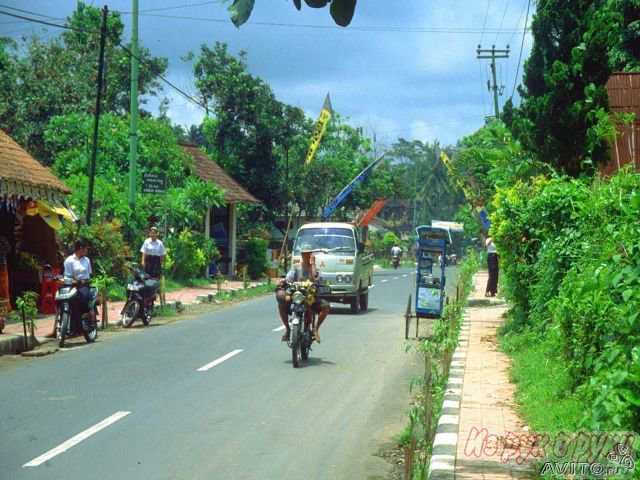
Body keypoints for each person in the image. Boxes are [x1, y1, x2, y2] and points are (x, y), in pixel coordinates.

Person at [275, 244, 330, 343]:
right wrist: (283, 281)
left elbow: (316, 278)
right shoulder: (296, 267)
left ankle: (315, 329)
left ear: (311, 255)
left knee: (326, 306)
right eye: (304, 254)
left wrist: (313, 263)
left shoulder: (315, 269)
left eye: (308, 254)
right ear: (301, 255)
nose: (306, 256)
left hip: (310, 298)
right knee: (281, 305)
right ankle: (287, 329)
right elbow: (288, 278)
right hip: (297, 297)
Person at [63, 239, 93, 324]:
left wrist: (83, 281)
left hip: (83, 284)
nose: (87, 251)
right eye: (86, 248)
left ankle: (88, 314)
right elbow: (67, 275)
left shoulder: (86, 260)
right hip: (71, 284)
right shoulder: (69, 260)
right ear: (80, 248)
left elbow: (89, 273)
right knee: (60, 297)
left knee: (82, 298)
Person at [485, 232, 499, 297]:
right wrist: (492, 238)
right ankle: (487, 291)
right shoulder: (488, 239)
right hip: (491, 257)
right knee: (491, 275)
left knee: (496, 275)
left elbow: (497, 250)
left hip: (495, 256)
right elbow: (487, 244)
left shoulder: (496, 241)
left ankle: (493, 291)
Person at [0, 235, 12, 312]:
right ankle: (6, 307)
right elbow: (9, 250)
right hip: (2, 264)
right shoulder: (3, 239)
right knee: (4, 286)